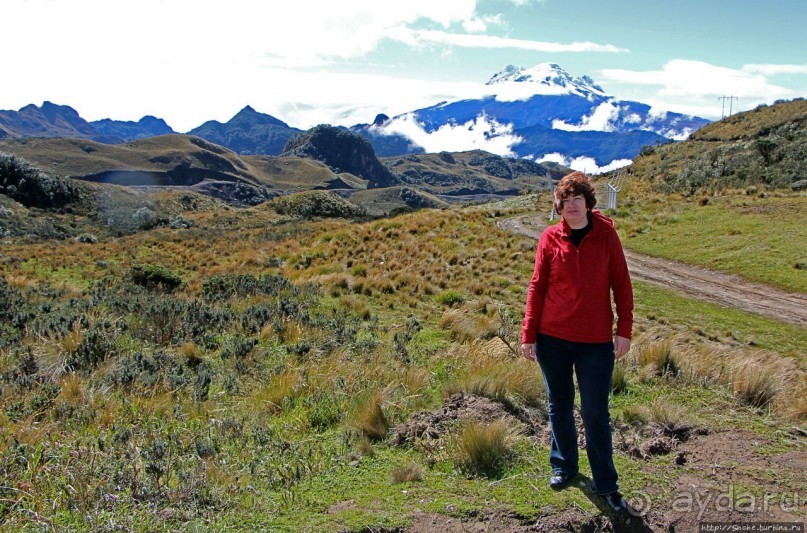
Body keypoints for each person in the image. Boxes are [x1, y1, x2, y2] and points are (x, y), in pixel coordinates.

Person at [521, 171, 633, 513]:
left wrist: (624, 329)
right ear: (559, 207)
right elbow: (537, 287)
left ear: (588, 203)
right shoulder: (549, 238)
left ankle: (606, 484)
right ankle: (564, 466)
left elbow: (622, 284)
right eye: (565, 202)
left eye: (577, 200)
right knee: (559, 405)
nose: (571, 207)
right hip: (552, 338)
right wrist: (529, 334)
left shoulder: (606, 235)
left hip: (596, 342)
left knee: (595, 412)